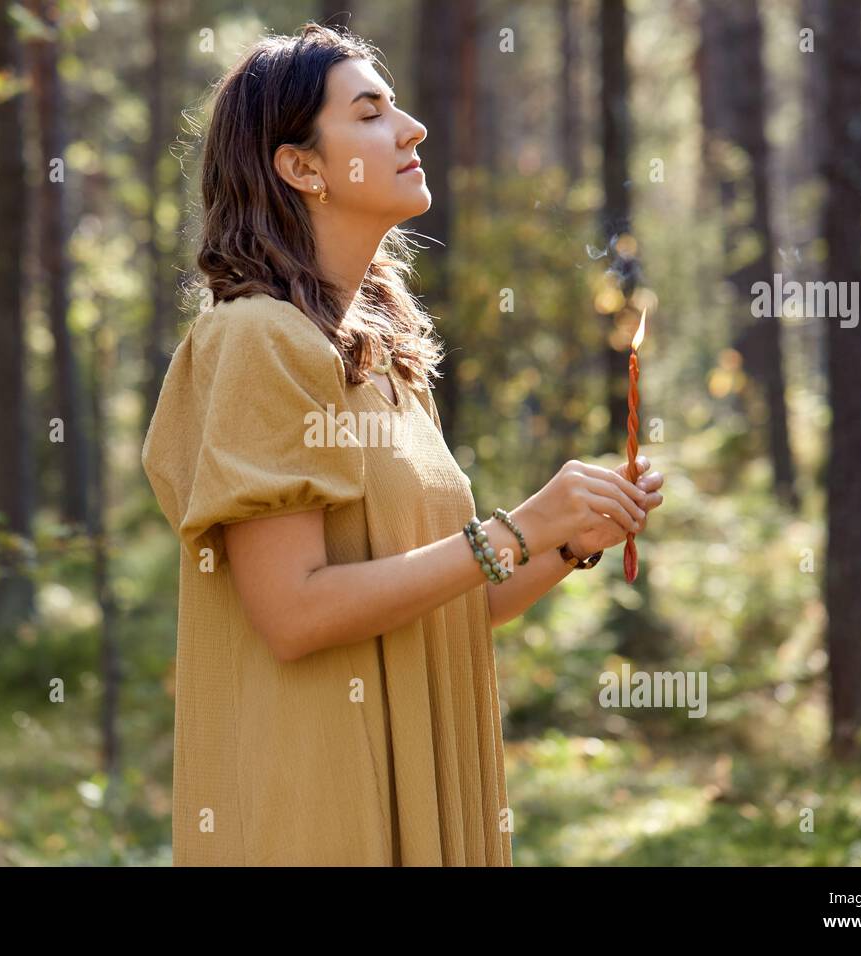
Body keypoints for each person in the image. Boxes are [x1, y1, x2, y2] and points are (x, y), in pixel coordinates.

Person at [142, 22, 665, 866]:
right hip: (320, 807)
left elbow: (449, 604)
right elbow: (294, 613)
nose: (412, 126)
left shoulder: (382, 355)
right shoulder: (257, 339)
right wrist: (515, 529)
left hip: (424, 774)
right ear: (301, 166)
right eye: (371, 111)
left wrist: (569, 540)